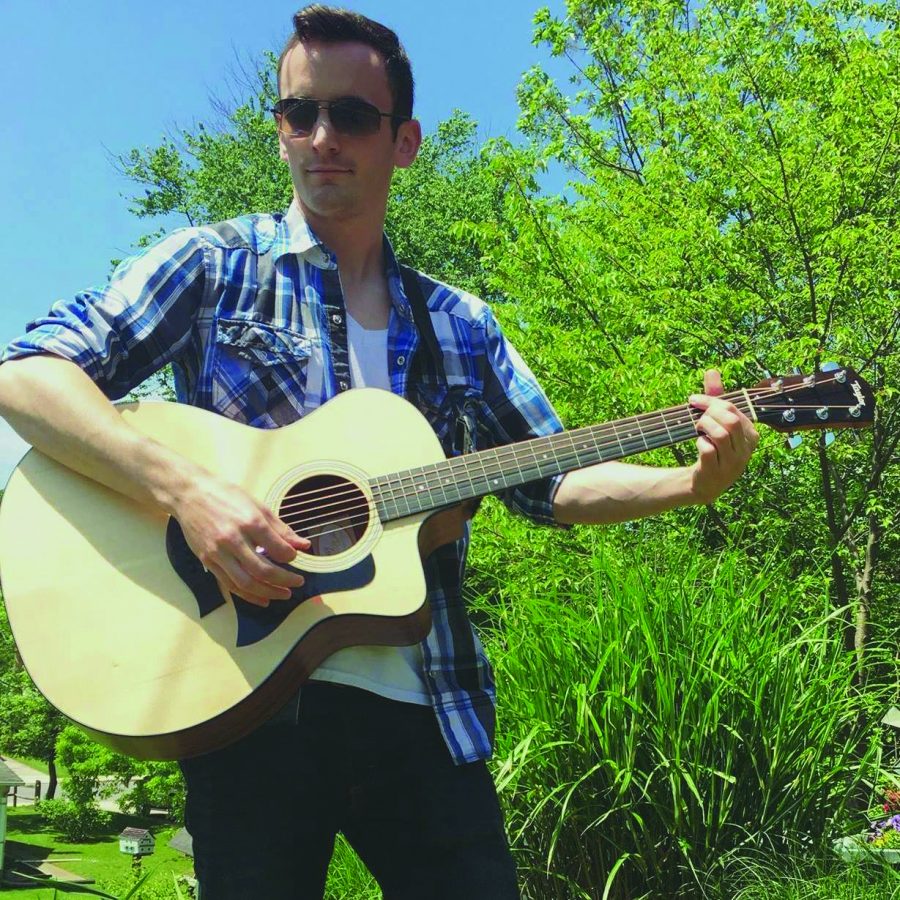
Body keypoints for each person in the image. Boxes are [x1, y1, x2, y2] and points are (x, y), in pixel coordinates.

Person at [0, 5, 758, 898]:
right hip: (246, 702)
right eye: (299, 113)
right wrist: (191, 493)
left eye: (352, 116)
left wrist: (692, 479)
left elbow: (548, 477)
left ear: (404, 142)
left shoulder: (459, 324)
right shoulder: (212, 267)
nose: (322, 137)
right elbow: (27, 375)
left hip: (426, 707)